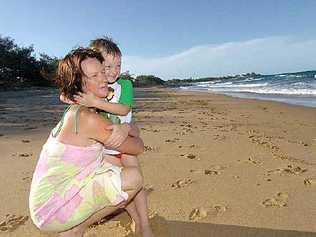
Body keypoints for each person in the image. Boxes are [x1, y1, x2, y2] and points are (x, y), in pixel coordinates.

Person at [29, 48, 145, 237]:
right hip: (51, 211)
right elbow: (138, 147)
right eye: (94, 75)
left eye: (102, 71)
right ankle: (75, 229)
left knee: (113, 168)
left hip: (46, 199)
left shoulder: (74, 110)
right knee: (133, 179)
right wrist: (129, 129)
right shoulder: (88, 119)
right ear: (78, 83)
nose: (104, 78)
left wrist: (126, 128)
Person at [64, 37, 153, 236]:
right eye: (108, 66)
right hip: (105, 148)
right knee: (122, 188)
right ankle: (136, 220)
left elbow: (123, 109)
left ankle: (145, 225)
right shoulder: (95, 86)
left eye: (118, 65)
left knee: (138, 185)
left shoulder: (125, 85)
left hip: (126, 142)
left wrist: (97, 102)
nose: (113, 71)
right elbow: (65, 95)